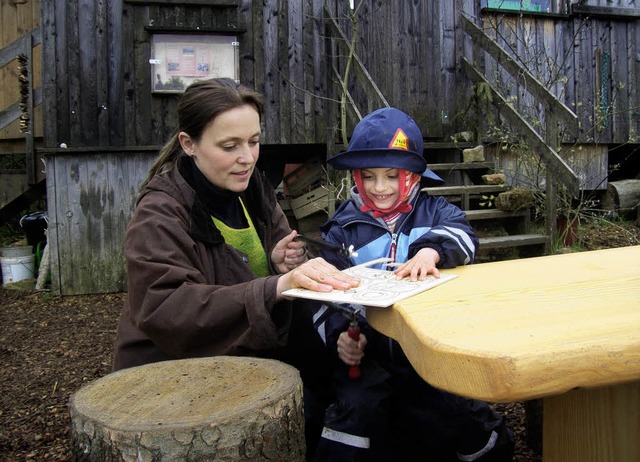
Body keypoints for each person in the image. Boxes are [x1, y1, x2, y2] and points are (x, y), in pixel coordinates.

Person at [112, 79, 359, 440]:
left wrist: (282, 260)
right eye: (230, 146)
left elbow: (278, 251)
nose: (247, 158)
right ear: (188, 144)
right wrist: (276, 285)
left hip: (246, 355)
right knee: (298, 414)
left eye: (254, 141)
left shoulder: (252, 186)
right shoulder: (160, 214)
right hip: (170, 379)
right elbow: (165, 307)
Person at [312, 107, 515, 461]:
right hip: (370, 355)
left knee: (458, 414)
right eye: (369, 176)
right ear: (356, 178)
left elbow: (464, 238)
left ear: (414, 175)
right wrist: (340, 336)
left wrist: (430, 251)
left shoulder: (437, 213)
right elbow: (321, 294)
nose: (380, 187)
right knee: (353, 417)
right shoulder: (340, 229)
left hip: (430, 351)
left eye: (392, 175)